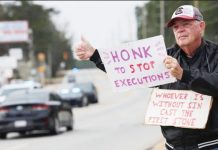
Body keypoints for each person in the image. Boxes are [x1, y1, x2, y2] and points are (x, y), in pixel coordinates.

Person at [75, 5, 218, 150]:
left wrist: (184, 74)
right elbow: (125, 68)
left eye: (186, 24)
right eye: (175, 27)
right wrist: (94, 55)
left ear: (201, 26)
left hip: (210, 144)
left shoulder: (215, 54)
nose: (180, 29)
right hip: (173, 146)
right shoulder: (164, 56)